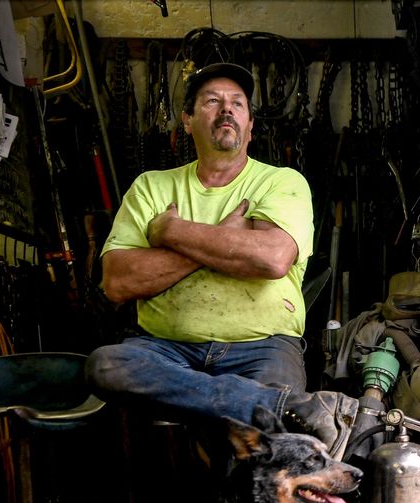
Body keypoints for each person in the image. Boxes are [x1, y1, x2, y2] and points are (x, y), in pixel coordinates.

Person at [86, 62, 356, 455]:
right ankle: (269, 404)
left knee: (266, 456)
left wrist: (171, 233)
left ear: (250, 126)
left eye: (238, 104)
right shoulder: (152, 186)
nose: (226, 109)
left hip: (263, 346)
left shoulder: (280, 182)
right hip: (166, 349)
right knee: (105, 366)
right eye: (212, 101)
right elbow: (118, 282)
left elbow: (272, 258)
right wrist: (225, 240)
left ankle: (250, 409)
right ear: (188, 120)